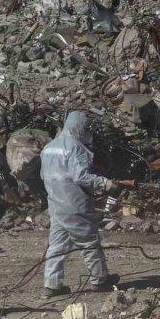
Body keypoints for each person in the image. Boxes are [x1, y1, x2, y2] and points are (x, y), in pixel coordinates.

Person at [40, 111, 119, 298]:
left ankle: (51, 285)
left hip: (56, 204)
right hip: (74, 203)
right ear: (80, 128)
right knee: (89, 241)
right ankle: (100, 280)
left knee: (57, 245)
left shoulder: (49, 147)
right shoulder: (75, 147)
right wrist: (104, 183)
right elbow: (80, 176)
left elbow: (44, 175)